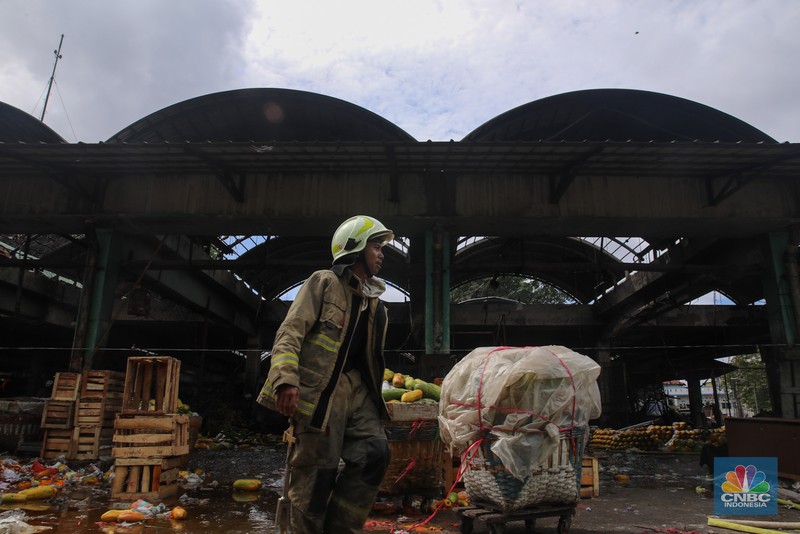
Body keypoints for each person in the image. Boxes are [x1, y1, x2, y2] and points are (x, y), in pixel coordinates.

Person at [257, 215, 394, 533]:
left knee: (375, 453)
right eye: (376, 246)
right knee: (316, 479)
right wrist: (286, 379)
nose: (382, 254)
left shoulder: (376, 306)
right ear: (356, 248)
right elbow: (290, 332)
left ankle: (340, 528)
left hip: (356, 391)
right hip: (319, 396)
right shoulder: (323, 282)